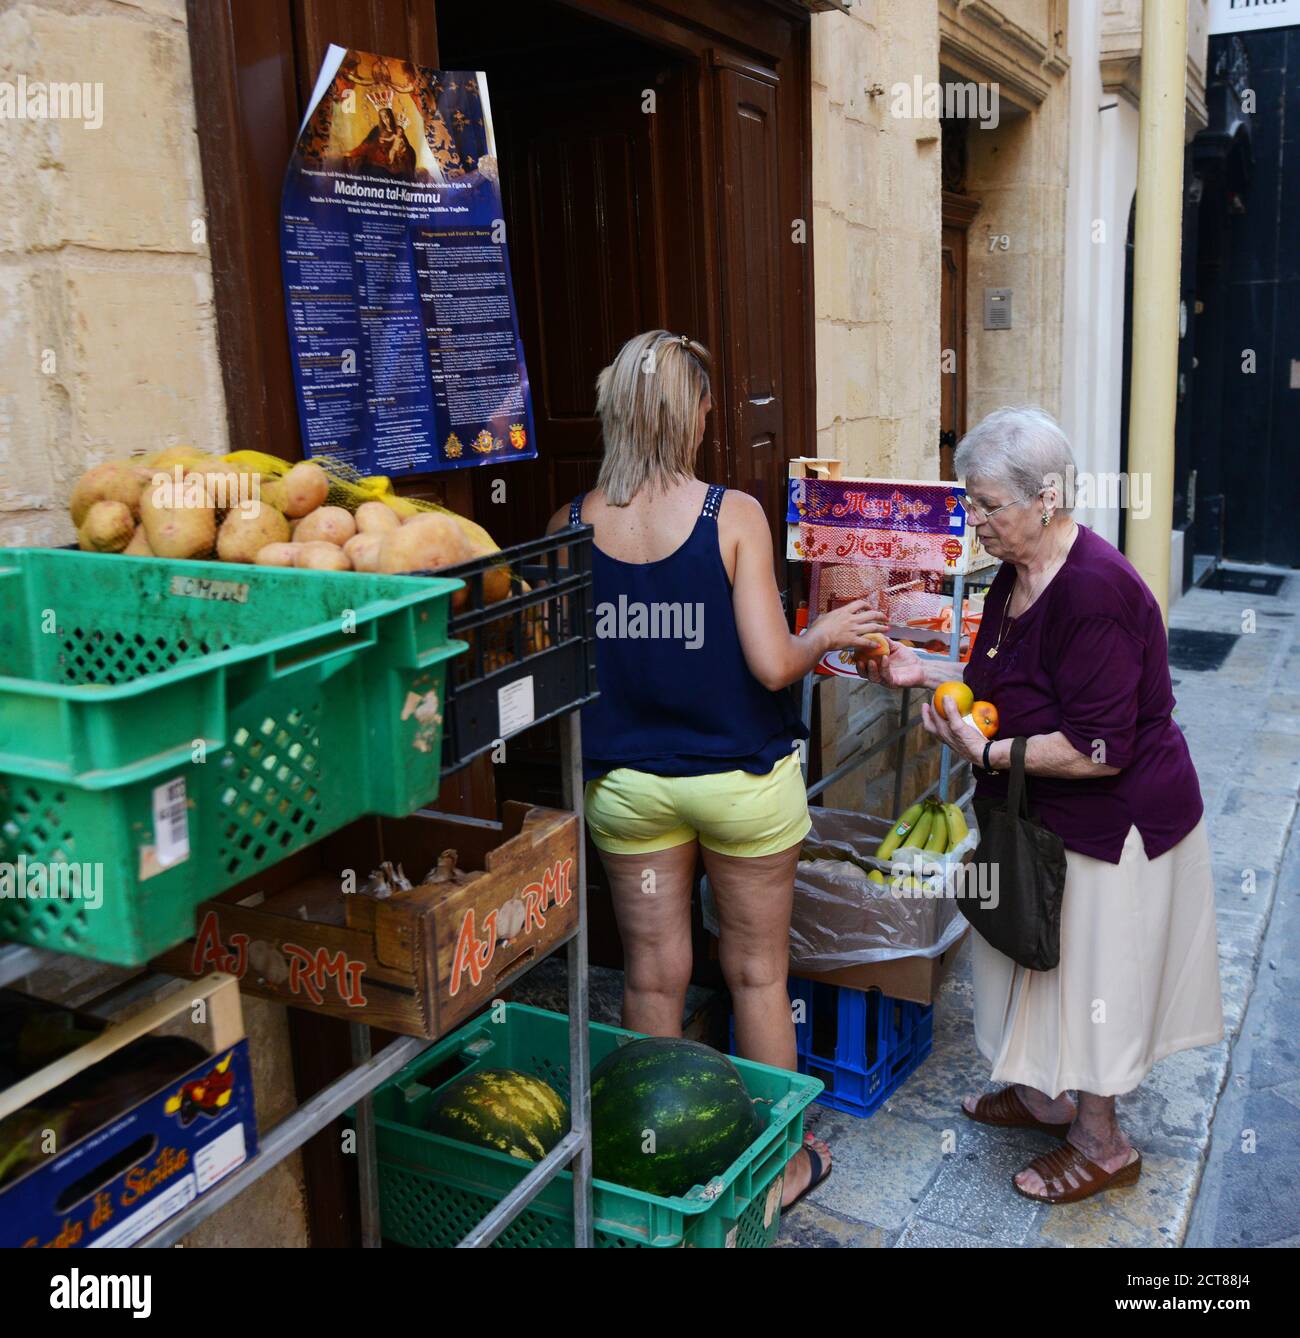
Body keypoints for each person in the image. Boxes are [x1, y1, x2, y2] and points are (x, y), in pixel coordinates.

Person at [547, 329, 885, 1210]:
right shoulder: (730, 516)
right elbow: (774, 666)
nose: (708, 415)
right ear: (686, 415)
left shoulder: (569, 524)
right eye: (702, 402)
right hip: (740, 788)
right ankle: (778, 1175)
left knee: (654, 975)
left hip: (630, 789)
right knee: (757, 976)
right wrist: (828, 635)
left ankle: (645, 1172)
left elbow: (564, 666)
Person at [861, 405, 1224, 1204]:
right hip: (1036, 818)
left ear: (1048, 498)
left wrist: (985, 753)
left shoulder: (1095, 592)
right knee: (1028, 955)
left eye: (987, 504)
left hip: (1115, 824)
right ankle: (1040, 1094)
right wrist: (931, 680)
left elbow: (1103, 747)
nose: (974, 520)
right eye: (969, 501)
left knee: (1094, 977)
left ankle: (1101, 1142)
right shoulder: (1017, 575)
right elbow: (996, 677)